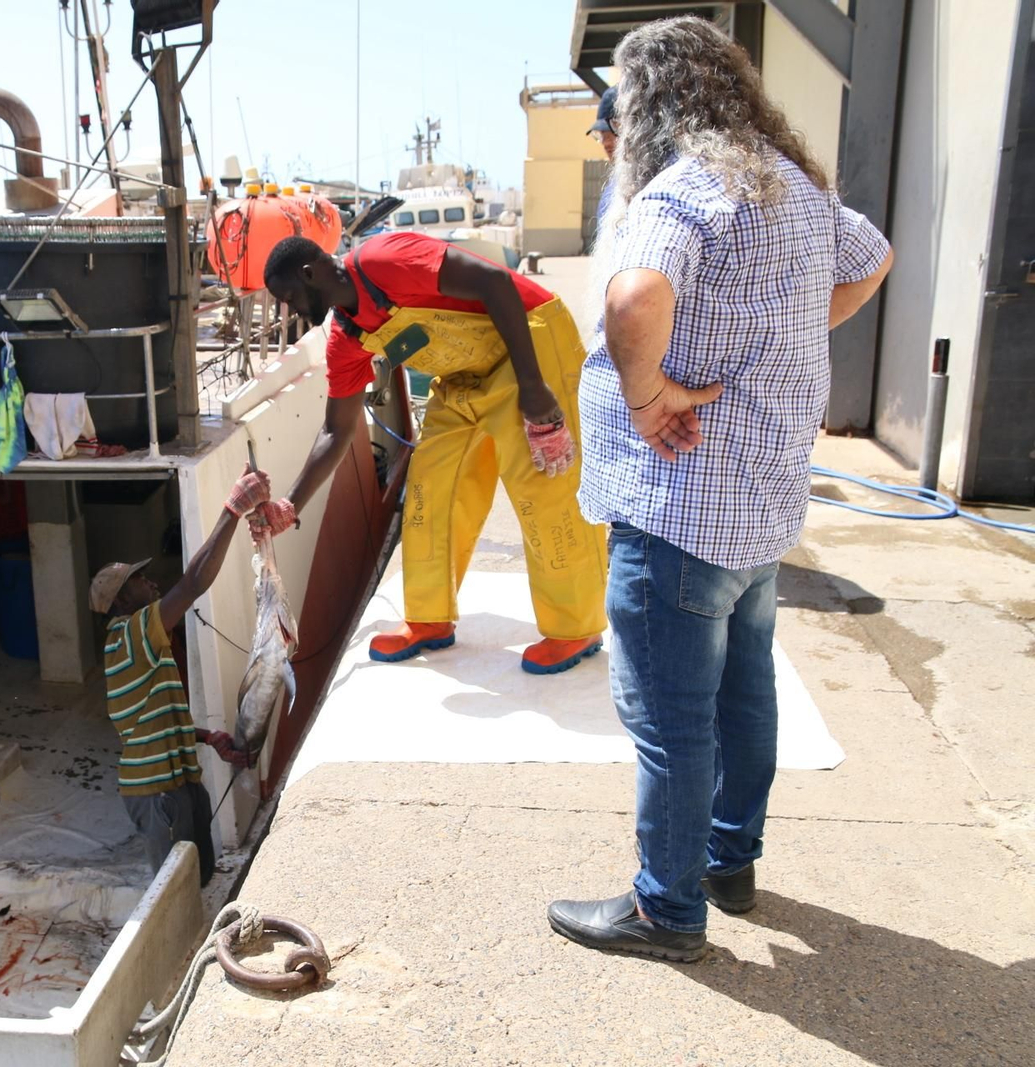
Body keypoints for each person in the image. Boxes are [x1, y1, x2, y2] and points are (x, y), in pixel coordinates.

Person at [547, 17, 894, 962]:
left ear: (653, 102)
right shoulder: (792, 186)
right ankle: (729, 862)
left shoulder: (685, 189)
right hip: (760, 508)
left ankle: (667, 907)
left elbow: (632, 299)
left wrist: (646, 392)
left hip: (678, 507)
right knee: (745, 694)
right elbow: (872, 256)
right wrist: (791, 331)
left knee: (671, 718)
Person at [260, 230, 608, 673]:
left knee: (544, 485)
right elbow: (336, 430)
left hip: (529, 346)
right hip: (463, 377)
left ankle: (575, 628)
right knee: (429, 488)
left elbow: (495, 283)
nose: (289, 310)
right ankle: (429, 618)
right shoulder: (347, 339)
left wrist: (533, 387)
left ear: (309, 273)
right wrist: (288, 506)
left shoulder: (383, 259)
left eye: (288, 296)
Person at [91, 468, 269, 886]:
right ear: (121, 599)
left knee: (200, 877)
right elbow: (192, 584)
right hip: (157, 793)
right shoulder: (128, 634)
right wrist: (233, 510)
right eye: (139, 580)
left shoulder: (146, 644)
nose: (152, 582)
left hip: (180, 783)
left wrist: (207, 738)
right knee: (178, 889)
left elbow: (156, 720)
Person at [588, 86, 619, 227]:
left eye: (610, 133)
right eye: (601, 136)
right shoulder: (612, 189)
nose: (605, 143)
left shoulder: (653, 184)